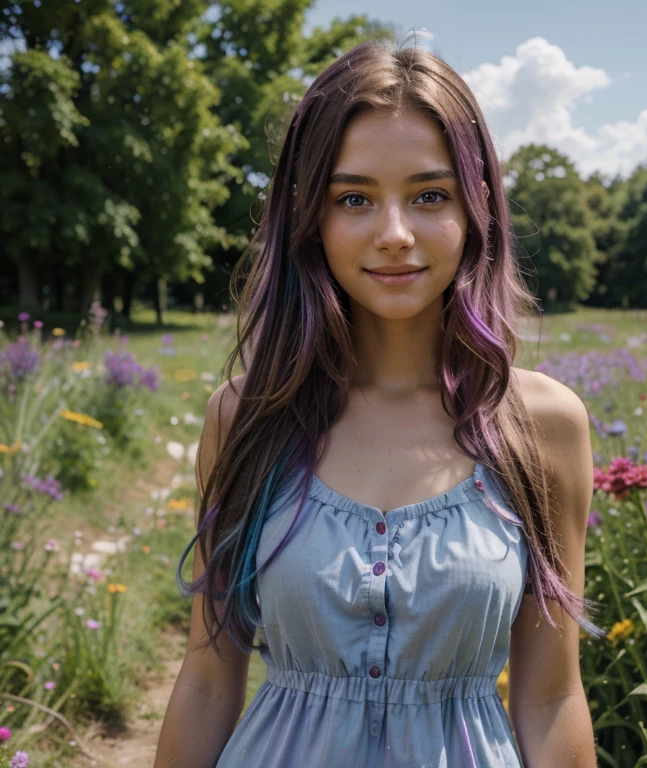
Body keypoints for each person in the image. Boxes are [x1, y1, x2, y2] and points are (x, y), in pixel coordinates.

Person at [154, 37, 605, 768]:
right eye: (354, 198)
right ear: (311, 218)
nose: (393, 235)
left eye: (429, 195)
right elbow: (209, 682)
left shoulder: (543, 428)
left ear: (475, 208)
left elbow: (550, 696)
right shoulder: (245, 419)